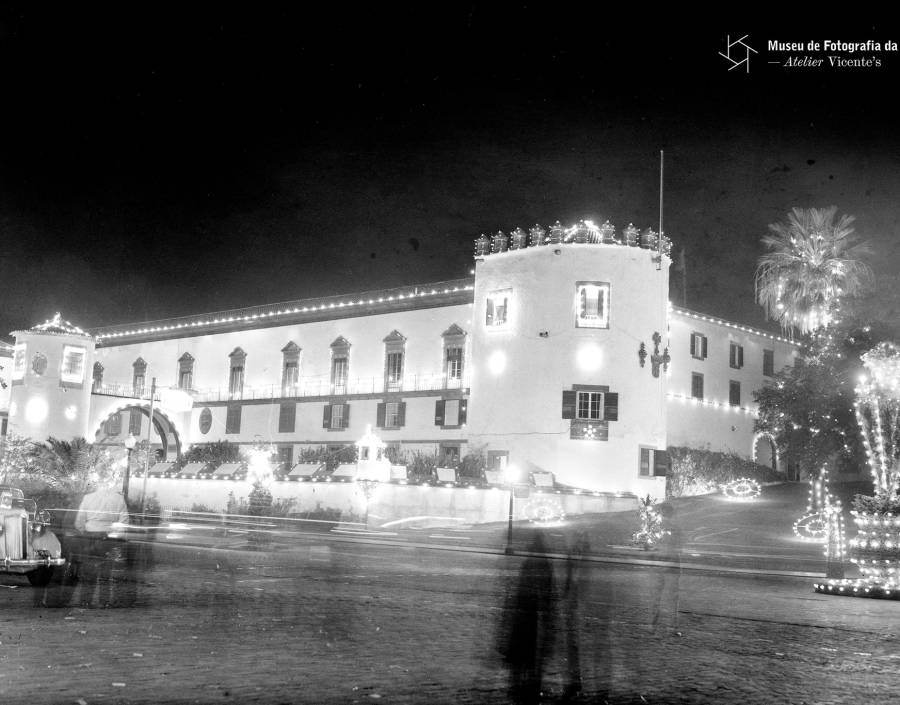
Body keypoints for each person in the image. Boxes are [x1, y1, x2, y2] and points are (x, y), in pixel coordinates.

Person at [497, 529, 556, 705]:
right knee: (531, 654)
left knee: (522, 652)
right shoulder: (544, 563)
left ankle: (519, 686)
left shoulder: (528, 562)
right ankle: (530, 685)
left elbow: (521, 588)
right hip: (534, 614)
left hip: (523, 613)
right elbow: (547, 590)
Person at [73, 473, 130, 608]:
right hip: (108, 538)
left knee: (89, 573)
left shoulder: (88, 498)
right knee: (106, 571)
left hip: (90, 536)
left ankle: (85, 601)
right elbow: (124, 521)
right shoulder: (119, 499)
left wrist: (83, 532)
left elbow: (79, 521)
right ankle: (104, 602)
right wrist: (114, 535)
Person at [650, 502, 683, 637]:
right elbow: (679, 547)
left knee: (656, 596)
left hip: (659, 564)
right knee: (672, 598)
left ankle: (652, 626)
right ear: (672, 513)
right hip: (672, 564)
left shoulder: (654, 528)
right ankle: (672, 627)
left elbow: (650, 547)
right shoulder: (675, 528)